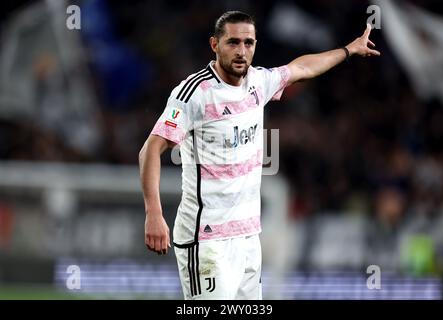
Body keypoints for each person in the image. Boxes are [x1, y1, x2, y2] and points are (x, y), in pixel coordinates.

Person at [139, 11, 380, 300]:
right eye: (233, 43)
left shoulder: (258, 82)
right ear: (214, 45)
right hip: (206, 239)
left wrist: (348, 50)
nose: (242, 51)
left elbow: (302, 68)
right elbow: (151, 148)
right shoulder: (195, 93)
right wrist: (154, 212)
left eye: (248, 43)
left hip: (249, 238)